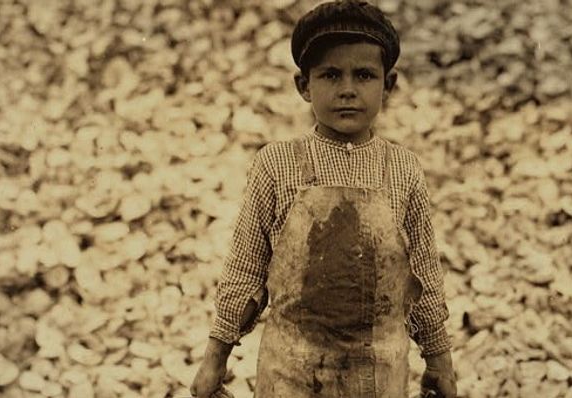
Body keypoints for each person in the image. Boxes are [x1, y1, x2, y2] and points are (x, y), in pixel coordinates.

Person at [190, 1, 458, 397]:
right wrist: (215, 358)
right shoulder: (277, 165)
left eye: (364, 75)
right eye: (330, 75)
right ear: (304, 86)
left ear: (388, 85)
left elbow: (423, 278)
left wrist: (439, 361)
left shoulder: (403, 170)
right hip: (291, 370)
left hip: (379, 371)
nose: (347, 90)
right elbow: (245, 272)